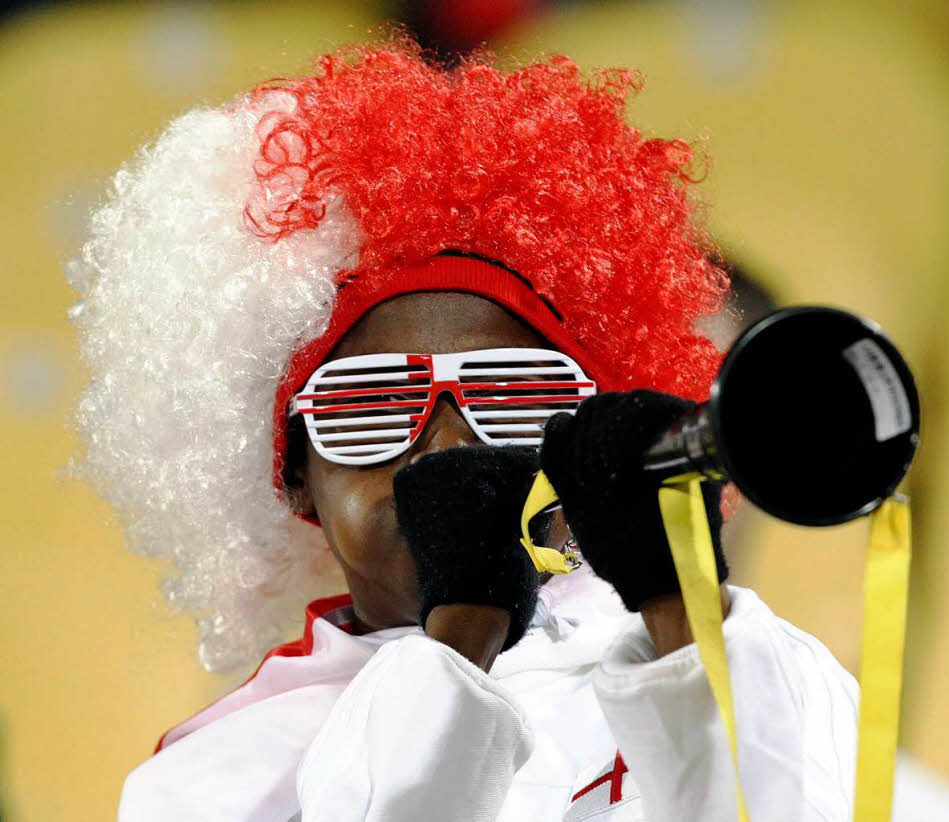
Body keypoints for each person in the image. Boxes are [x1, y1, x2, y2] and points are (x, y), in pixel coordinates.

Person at [71, 39, 859, 821]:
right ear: (296, 479)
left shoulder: (771, 675)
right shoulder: (218, 777)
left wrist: (676, 601)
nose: (451, 454)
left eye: (516, 401)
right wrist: (462, 635)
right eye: (372, 408)